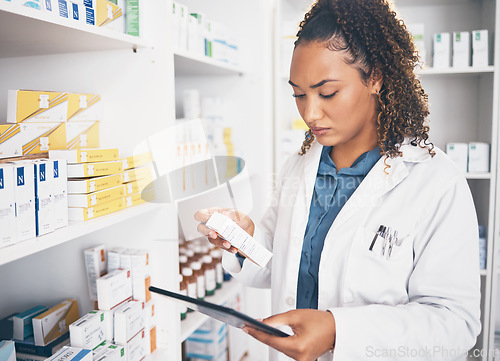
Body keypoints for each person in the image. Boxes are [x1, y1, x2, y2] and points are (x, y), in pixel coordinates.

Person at [195, 0, 481, 360]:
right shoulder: (299, 166)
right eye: (299, 94)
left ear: (375, 76)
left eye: (327, 93)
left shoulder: (436, 181)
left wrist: (338, 331)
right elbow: (277, 262)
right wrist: (245, 237)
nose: (310, 113)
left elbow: (455, 324)